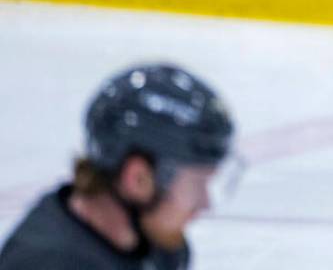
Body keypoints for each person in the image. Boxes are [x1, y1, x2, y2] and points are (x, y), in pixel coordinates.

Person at [0, 63, 236, 270]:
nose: (205, 204)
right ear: (138, 178)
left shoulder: (159, 246)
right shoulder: (47, 263)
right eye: (196, 184)